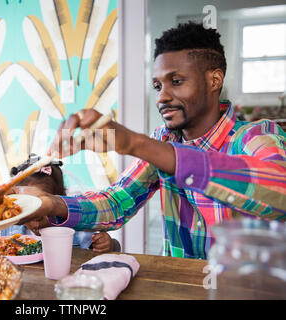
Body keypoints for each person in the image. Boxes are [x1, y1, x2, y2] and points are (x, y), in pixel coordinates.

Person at [14, 22, 286, 260]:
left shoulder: (256, 136)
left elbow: (279, 195)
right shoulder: (164, 140)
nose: (162, 97)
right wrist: (50, 204)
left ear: (214, 79)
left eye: (176, 81)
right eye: (157, 86)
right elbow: (116, 203)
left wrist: (135, 143)